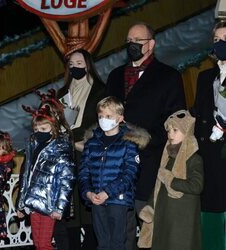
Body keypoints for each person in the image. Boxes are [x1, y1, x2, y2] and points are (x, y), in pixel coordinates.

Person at [105, 22, 186, 249]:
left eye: (137, 41)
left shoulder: (169, 76)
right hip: (117, 166)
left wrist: (145, 141)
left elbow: (176, 122)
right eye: (128, 41)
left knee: (153, 227)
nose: (132, 45)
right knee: (122, 229)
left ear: (151, 44)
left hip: (152, 164)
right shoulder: (114, 76)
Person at [79, 96, 151, 250]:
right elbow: (84, 171)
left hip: (118, 199)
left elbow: (131, 173)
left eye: (108, 116)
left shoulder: (128, 143)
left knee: (117, 242)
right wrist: (88, 193)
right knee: (103, 242)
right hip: (97, 199)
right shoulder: (92, 143)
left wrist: (108, 192)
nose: (103, 119)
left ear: (120, 118)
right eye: (100, 116)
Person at [57, 49, 105, 250]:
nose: (74, 66)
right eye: (71, 63)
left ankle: (91, 244)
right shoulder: (62, 93)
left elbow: (105, 121)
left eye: (79, 62)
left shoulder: (101, 89)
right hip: (67, 150)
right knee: (70, 200)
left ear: (87, 64)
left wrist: (88, 142)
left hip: (89, 149)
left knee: (87, 196)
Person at [138, 110, 203, 250]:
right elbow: (158, 185)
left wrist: (171, 180)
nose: (170, 134)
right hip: (165, 219)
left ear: (187, 132)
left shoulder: (194, 159)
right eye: (168, 131)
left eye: (175, 130)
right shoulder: (167, 159)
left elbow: (196, 186)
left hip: (181, 224)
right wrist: (150, 206)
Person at [16, 104, 75, 250]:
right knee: (38, 244)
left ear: (53, 127)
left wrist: (59, 208)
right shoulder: (32, 148)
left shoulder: (61, 149)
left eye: (44, 129)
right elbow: (26, 178)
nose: (39, 132)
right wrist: (21, 205)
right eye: (36, 129)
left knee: (44, 244)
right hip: (34, 204)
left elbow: (66, 182)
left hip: (50, 206)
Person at [192, 20, 226, 250]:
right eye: (216, 40)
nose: (221, 44)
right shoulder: (205, 77)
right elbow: (197, 117)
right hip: (210, 161)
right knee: (212, 223)